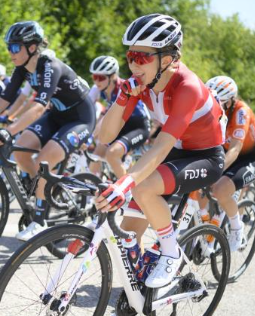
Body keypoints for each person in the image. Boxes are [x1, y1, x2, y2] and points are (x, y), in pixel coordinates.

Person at [95, 14, 226, 300]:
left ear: (166, 59)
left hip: (206, 156)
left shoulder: (187, 86)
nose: (133, 65)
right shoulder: (141, 82)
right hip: (177, 150)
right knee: (128, 237)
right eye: (130, 56)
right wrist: (122, 97)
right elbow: (104, 136)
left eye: (142, 57)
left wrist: (124, 183)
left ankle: (170, 252)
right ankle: (138, 299)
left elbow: (162, 146)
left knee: (143, 187)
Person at [0, 20, 95, 240]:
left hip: (80, 119)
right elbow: (3, 99)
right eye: (9, 47)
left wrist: (9, 130)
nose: (10, 52)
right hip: (57, 116)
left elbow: (38, 106)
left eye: (15, 47)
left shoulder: (50, 66)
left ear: (32, 47)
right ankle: (42, 189)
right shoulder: (22, 69)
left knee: (43, 161)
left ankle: (40, 221)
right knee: (20, 151)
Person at [204, 75, 255, 251]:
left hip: (248, 155)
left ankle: (237, 228)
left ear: (231, 100)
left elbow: (235, 149)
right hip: (227, 152)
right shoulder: (213, 109)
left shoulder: (241, 112)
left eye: (221, 102)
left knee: (220, 189)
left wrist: (216, 171)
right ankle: (200, 230)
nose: (216, 106)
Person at [88, 55, 151, 178]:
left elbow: (105, 119)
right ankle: (91, 185)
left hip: (138, 126)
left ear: (112, 76)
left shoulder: (123, 88)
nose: (96, 81)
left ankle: (127, 188)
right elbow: (89, 109)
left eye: (100, 78)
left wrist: (90, 137)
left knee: (112, 154)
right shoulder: (99, 89)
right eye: (94, 77)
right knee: (97, 153)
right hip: (121, 125)